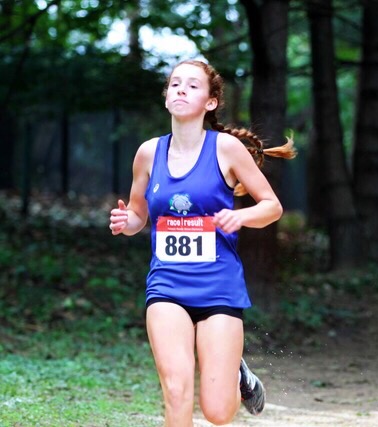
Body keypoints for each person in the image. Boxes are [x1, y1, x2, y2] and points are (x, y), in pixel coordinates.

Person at [109, 59, 296, 426]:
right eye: (175, 84)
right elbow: (138, 216)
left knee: (216, 411)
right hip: (167, 287)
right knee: (177, 392)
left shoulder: (225, 149)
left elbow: (272, 207)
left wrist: (240, 216)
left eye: (192, 85)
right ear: (166, 98)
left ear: (210, 102)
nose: (180, 89)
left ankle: (237, 375)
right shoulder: (148, 153)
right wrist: (125, 222)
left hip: (219, 288)